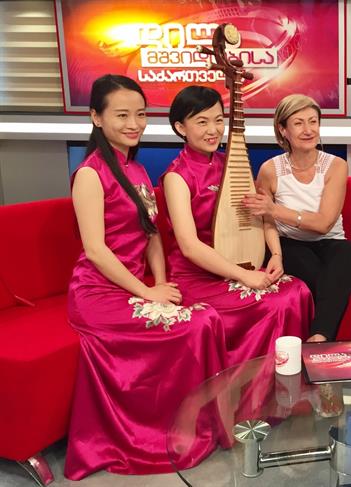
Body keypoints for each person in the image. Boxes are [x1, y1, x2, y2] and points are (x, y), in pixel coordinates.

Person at [65, 75, 226, 480]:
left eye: (140, 114)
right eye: (122, 115)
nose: (134, 124)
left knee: (204, 316)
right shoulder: (90, 173)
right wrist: (146, 292)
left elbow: (152, 234)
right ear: (96, 117)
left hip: (136, 284)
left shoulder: (136, 169)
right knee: (199, 322)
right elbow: (96, 250)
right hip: (98, 293)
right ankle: (165, 436)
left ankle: (198, 425)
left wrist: (162, 283)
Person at [161, 86, 312, 366]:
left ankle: (286, 375)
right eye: (202, 122)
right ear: (181, 128)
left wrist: (276, 254)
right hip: (199, 276)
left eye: (218, 120)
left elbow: (260, 212)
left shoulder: (230, 163)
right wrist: (244, 276)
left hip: (238, 263)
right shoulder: (177, 176)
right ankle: (250, 381)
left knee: (297, 290)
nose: (213, 130)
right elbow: (189, 246)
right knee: (274, 301)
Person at [243, 94, 351, 342]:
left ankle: (318, 337)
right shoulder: (269, 170)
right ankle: (320, 339)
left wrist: (275, 210)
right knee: (320, 276)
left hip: (330, 241)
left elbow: (324, 224)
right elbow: (265, 220)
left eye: (313, 122)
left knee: (349, 252)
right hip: (289, 243)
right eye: (298, 123)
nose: (308, 130)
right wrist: (276, 253)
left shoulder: (336, 166)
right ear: (283, 130)